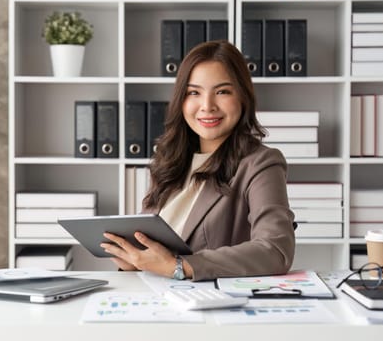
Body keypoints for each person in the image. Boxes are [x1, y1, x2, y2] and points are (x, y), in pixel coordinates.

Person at [101, 40, 295, 281]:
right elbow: (154, 252)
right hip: (154, 299)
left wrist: (180, 266)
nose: (207, 106)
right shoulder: (169, 160)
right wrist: (134, 261)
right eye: (194, 93)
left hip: (214, 306)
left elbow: (275, 251)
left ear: (243, 97)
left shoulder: (261, 163)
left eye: (222, 92)